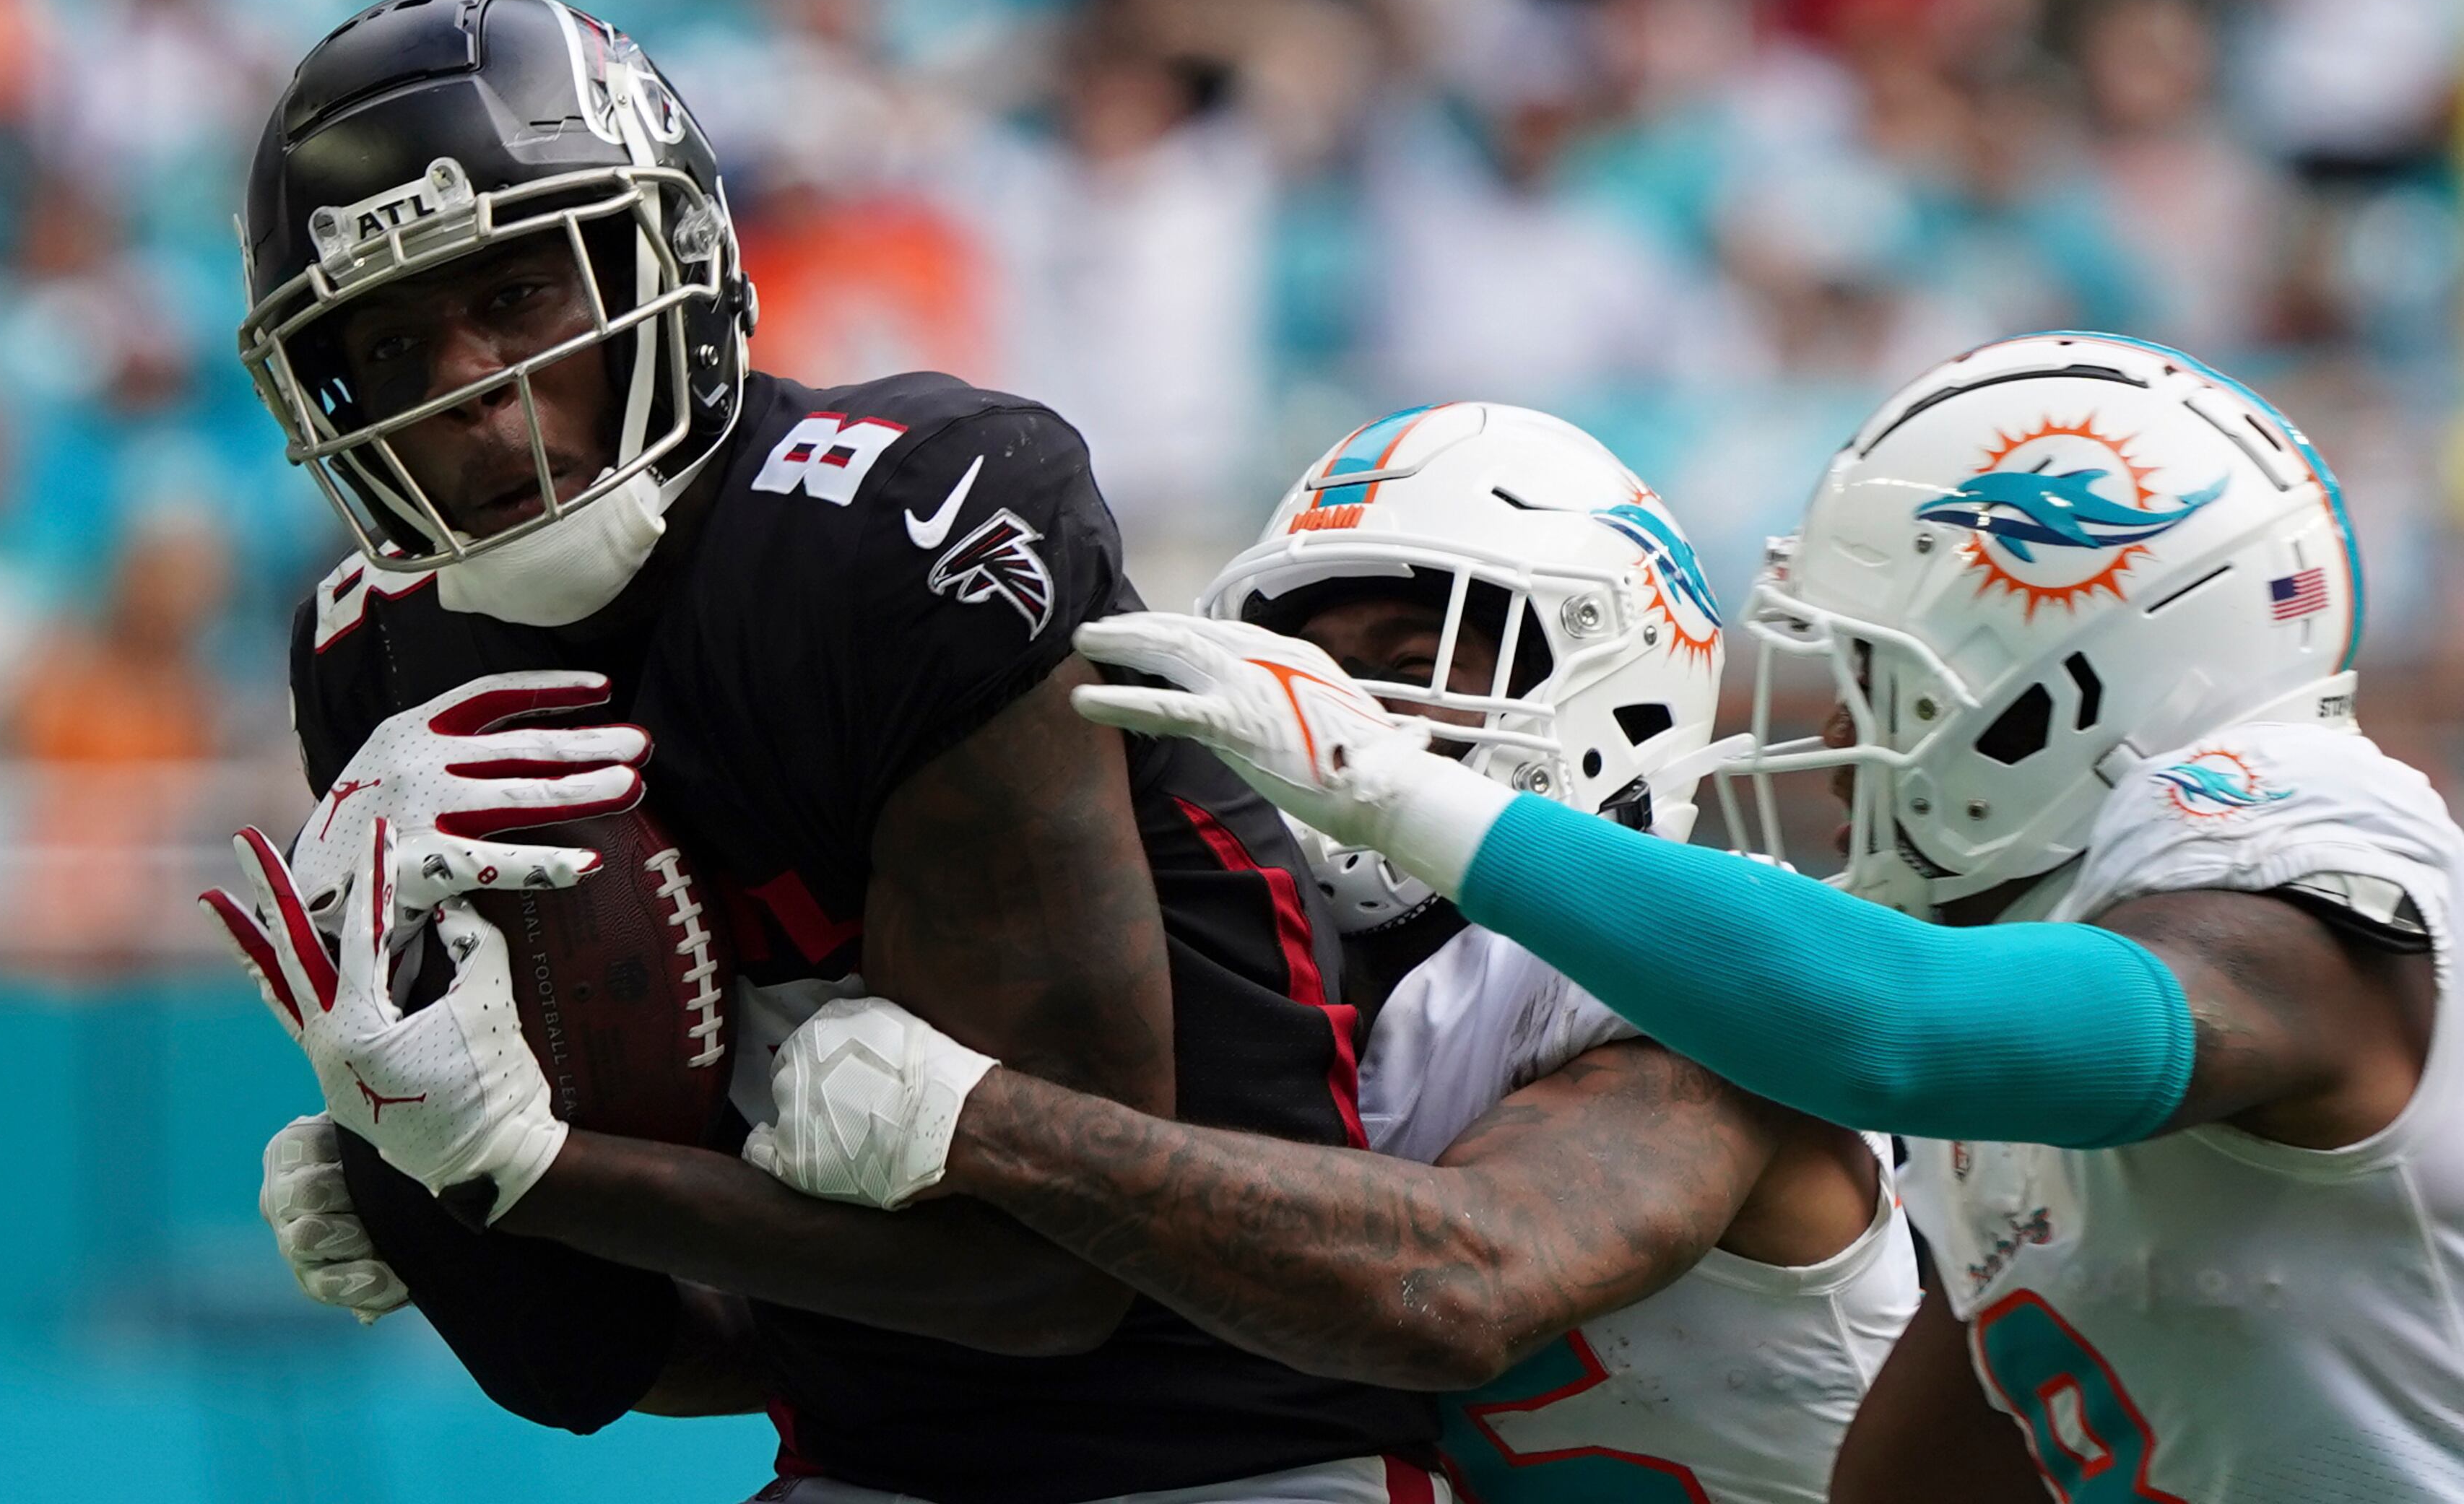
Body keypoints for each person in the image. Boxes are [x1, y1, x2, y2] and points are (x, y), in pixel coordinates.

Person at [196, 0, 1439, 1504]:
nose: (466, 389)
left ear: (672, 260)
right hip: (852, 1458)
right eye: (390, 349)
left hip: (1244, 1450)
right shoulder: (379, 656)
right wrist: (445, 1205)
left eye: (517, 295)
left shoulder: (905, 528)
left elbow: (1046, 1283)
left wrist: (537, 1173)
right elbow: (648, 1362)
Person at [1054, 334, 2464, 1501]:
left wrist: (1395, 787)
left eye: (1878, 680)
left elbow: (1899, 1022)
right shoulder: (2016, 1113)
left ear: (2078, 673)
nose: (1836, 736)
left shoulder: (2300, 841)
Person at [743, 403, 1919, 1503]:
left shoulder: (1691, 962)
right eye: (1302, 665)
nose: (1334, 709)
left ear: (1623, 696)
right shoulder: (1281, 975)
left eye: (1406, 664)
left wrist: (982, 1122)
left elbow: (1465, 1284)